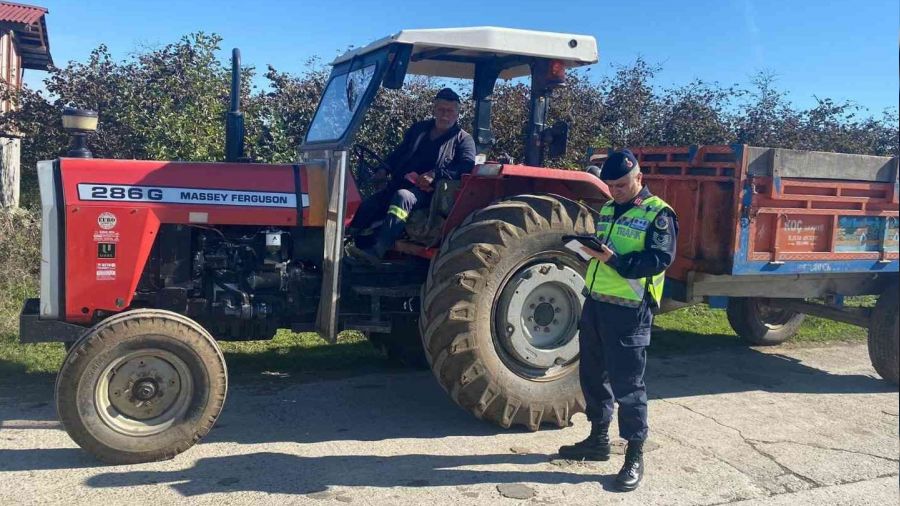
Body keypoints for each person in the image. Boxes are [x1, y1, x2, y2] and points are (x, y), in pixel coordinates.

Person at [558, 149, 678, 492]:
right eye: (610, 185)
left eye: (622, 184)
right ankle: (598, 440)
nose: (615, 191)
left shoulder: (659, 214)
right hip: (596, 303)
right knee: (592, 377)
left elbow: (659, 259)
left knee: (628, 387)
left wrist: (613, 259)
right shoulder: (609, 208)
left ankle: (634, 455)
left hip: (630, 310)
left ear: (639, 178)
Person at [348, 87, 476, 263]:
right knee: (369, 204)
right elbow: (399, 153)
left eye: (450, 110)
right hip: (401, 182)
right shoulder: (419, 130)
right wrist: (383, 169)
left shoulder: (463, 139)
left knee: (403, 197)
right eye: (441, 109)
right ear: (434, 109)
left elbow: (466, 167)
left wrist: (435, 174)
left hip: (431, 194)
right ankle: (348, 242)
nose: (445, 114)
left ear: (457, 113)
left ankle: (379, 250)